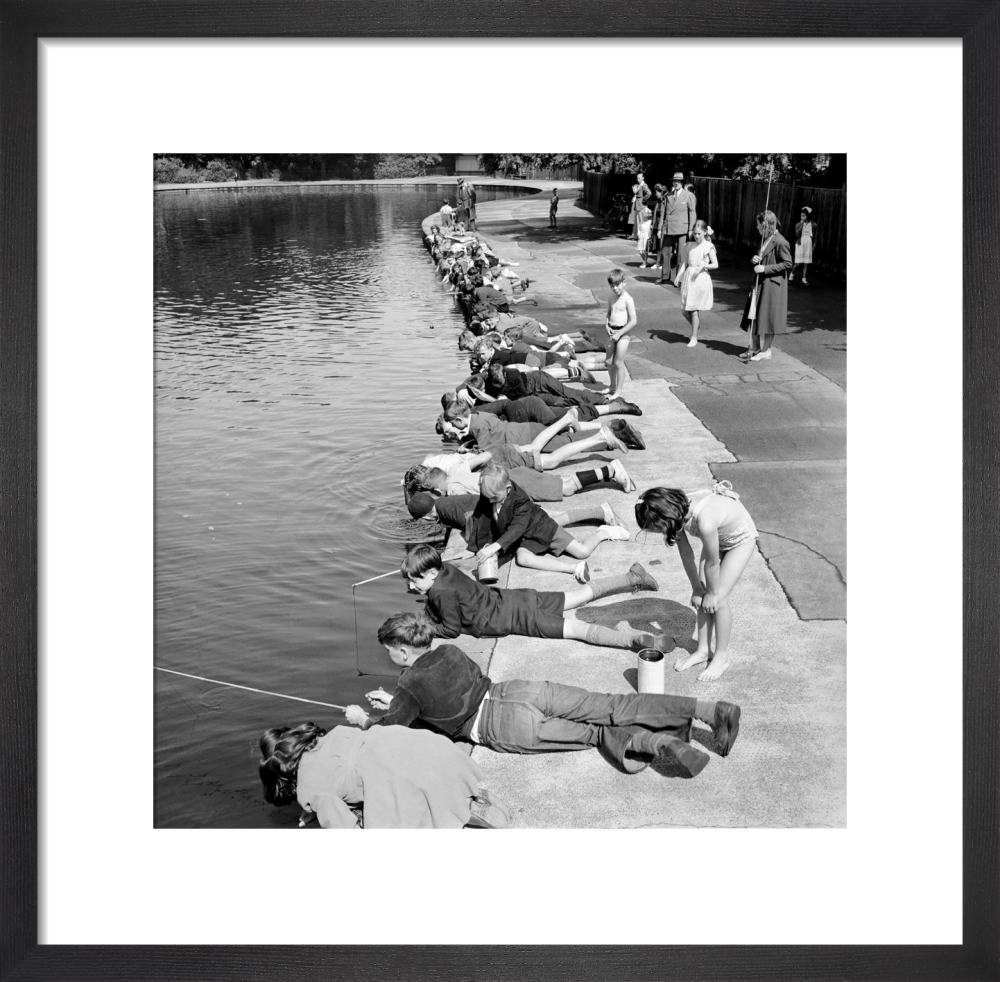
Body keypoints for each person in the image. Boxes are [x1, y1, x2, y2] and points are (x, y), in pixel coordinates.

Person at [344, 613, 743, 776]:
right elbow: (450, 688)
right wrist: (397, 702)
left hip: (499, 725)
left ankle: (660, 743)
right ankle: (710, 710)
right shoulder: (449, 650)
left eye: (390, 652)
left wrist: (365, 718)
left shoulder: (407, 684)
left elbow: (390, 731)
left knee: (593, 733)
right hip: (517, 690)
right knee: (611, 705)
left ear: (400, 650)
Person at [399, 543, 664, 652]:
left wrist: (427, 626)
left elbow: (452, 629)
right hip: (518, 599)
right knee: (578, 595)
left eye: (415, 579)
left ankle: (632, 641)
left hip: (518, 618)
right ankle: (632, 577)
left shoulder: (439, 592)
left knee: (577, 629)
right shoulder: (448, 570)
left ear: (432, 572)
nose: (412, 586)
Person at [257, 721, 510, 828]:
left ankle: (455, 816)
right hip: (425, 746)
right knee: (424, 778)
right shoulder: (329, 736)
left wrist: (322, 810)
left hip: (403, 777)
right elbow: (338, 773)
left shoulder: (310, 792)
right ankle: (464, 801)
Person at [634, 481, 758, 683]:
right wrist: (697, 588)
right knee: (703, 594)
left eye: (658, 529)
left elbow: (711, 563)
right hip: (718, 538)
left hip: (739, 540)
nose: (660, 533)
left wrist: (711, 593)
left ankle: (721, 657)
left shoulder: (705, 521)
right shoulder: (677, 512)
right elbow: (686, 552)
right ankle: (702, 650)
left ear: (666, 518)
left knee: (719, 599)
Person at [468, 462, 629, 583]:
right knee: (522, 558)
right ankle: (574, 568)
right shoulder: (489, 494)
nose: (490, 501)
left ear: (508, 488)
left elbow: (517, 528)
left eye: (494, 498)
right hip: (525, 538)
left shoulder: (520, 499)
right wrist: (481, 546)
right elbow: (482, 519)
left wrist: (495, 547)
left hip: (542, 527)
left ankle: (603, 532)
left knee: (582, 552)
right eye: (487, 497)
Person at [739, 209, 792, 362]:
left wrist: (765, 268)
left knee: (769, 317)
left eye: (758, 225)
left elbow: (787, 263)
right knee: (754, 313)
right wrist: (756, 259)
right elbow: (764, 258)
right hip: (760, 282)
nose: (756, 228)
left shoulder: (781, 241)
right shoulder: (765, 239)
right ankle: (755, 347)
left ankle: (766, 350)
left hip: (772, 285)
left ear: (765, 225)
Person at [675, 220, 719, 348]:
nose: (696, 236)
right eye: (695, 234)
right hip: (689, 276)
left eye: (699, 233)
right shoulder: (689, 245)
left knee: (693, 309)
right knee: (684, 310)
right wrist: (678, 275)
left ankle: (694, 336)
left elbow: (715, 264)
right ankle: (696, 325)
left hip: (700, 278)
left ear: (705, 232)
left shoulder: (708, 246)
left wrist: (704, 265)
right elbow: (685, 263)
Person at [604, 268, 637, 401]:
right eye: (612, 286)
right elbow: (608, 314)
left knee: (618, 362)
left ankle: (618, 390)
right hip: (612, 332)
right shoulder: (611, 298)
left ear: (624, 283)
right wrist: (606, 326)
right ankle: (612, 385)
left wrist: (620, 333)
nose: (615, 288)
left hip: (623, 333)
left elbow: (634, 321)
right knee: (608, 362)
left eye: (617, 285)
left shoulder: (628, 299)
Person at [657, 172, 697, 285]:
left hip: (683, 228)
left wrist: (691, 230)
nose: (677, 183)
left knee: (681, 255)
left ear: (682, 183)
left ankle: (679, 279)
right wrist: (660, 229)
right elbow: (663, 213)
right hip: (668, 227)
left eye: (679, 181)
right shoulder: (667, 195)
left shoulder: (689, 195)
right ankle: (665, 277)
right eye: (675, 181)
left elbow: (692, 213)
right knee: (666, 253)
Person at [791, 206, 816, 284]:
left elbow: (815, 236)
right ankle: (791, 276)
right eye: (801, 216)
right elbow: (797, 235)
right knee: (798, 263)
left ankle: (804, 279)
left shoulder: (813, 225)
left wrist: (814, 245)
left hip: (808, 244)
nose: (801, 217)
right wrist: (801, 226)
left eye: (803, 216)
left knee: (806, 262)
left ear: (807, 216)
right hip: (800, 244)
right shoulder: (798, 224)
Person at [628, 172, 651, 240]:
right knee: (637, 222)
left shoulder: (644, 185)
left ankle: (641, 236)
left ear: (643, 178)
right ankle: (636, 235)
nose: (638, 179)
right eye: (637, 178)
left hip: (641, 207)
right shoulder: (640, 185)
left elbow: (649, 193)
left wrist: (643, 200)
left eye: (639, 178)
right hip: (638, 207)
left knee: (641, 222)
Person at [636, 203, 653, 268]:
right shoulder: (641, 222)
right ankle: (645, 261)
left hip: (646, 236)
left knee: (645, 250)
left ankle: (644, 263)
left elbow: (650, 230)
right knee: (640, 250)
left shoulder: (649, 222)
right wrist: (638, 234)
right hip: (641, 236)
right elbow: (639, 228)